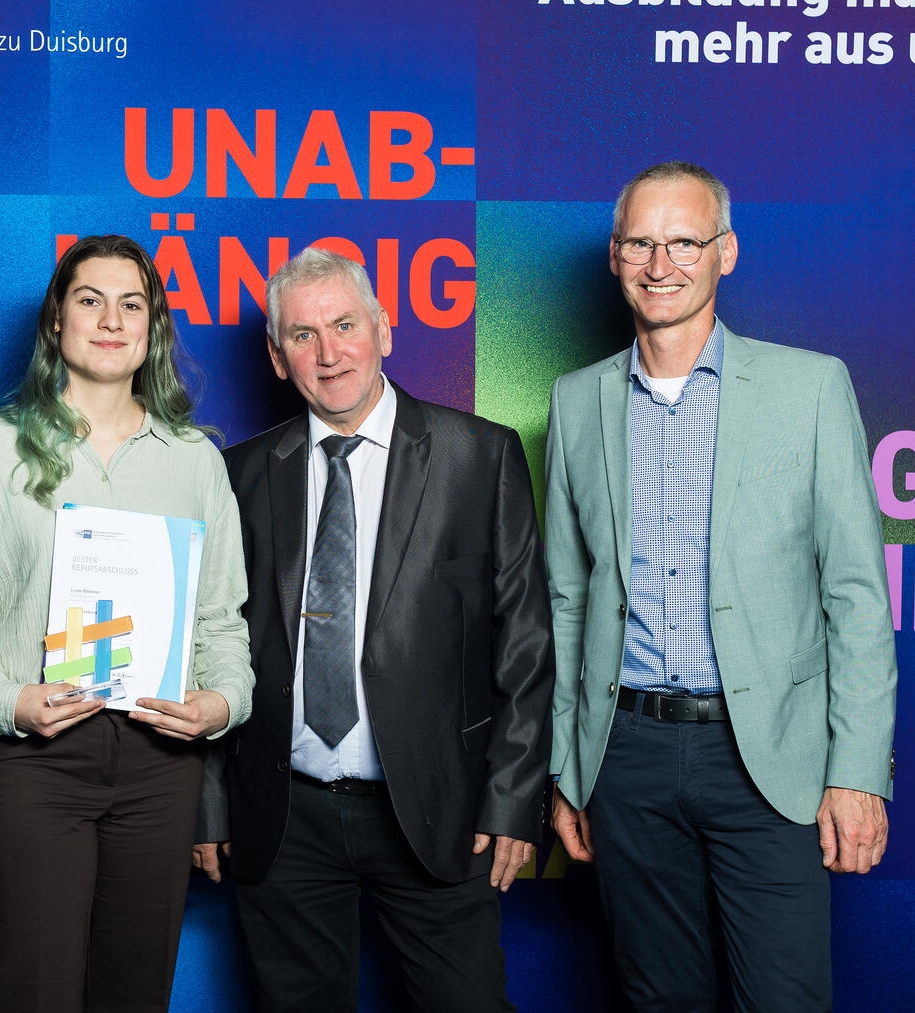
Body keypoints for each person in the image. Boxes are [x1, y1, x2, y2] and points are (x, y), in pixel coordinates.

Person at [545, 161, 898, 1011]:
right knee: (656, 997)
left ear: (725, 252)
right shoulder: (576, 398)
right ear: (614, 255)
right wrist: (566, 766)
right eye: (639, 241)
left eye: (684, 241)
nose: (659, 263)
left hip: (768, 757)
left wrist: (858, 770)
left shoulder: (810, 387)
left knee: (784, 998)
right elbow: (566, 597)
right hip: (623, 756)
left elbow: (855, 594)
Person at [194, 246, 555, 1012]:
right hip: (284, 816)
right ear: (276, 354)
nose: (329, 353)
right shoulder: (239, 473)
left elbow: (525, 643)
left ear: (384, 330)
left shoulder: (478, 455)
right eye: (302, 335)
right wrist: (212, 804)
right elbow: (211, 642)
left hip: (437, 809)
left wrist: (514, 798)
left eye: (346, 324)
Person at [0, 234, 253, 1013]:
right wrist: (10, 703)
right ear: (55, 323)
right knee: (27, 991)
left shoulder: (194, 460)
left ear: (153, 328)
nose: (111, 319)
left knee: (136, 992)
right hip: (35, 761)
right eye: (89, 300)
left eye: (131, 303)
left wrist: (222, 701)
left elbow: (221, 620)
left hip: (162, 766)